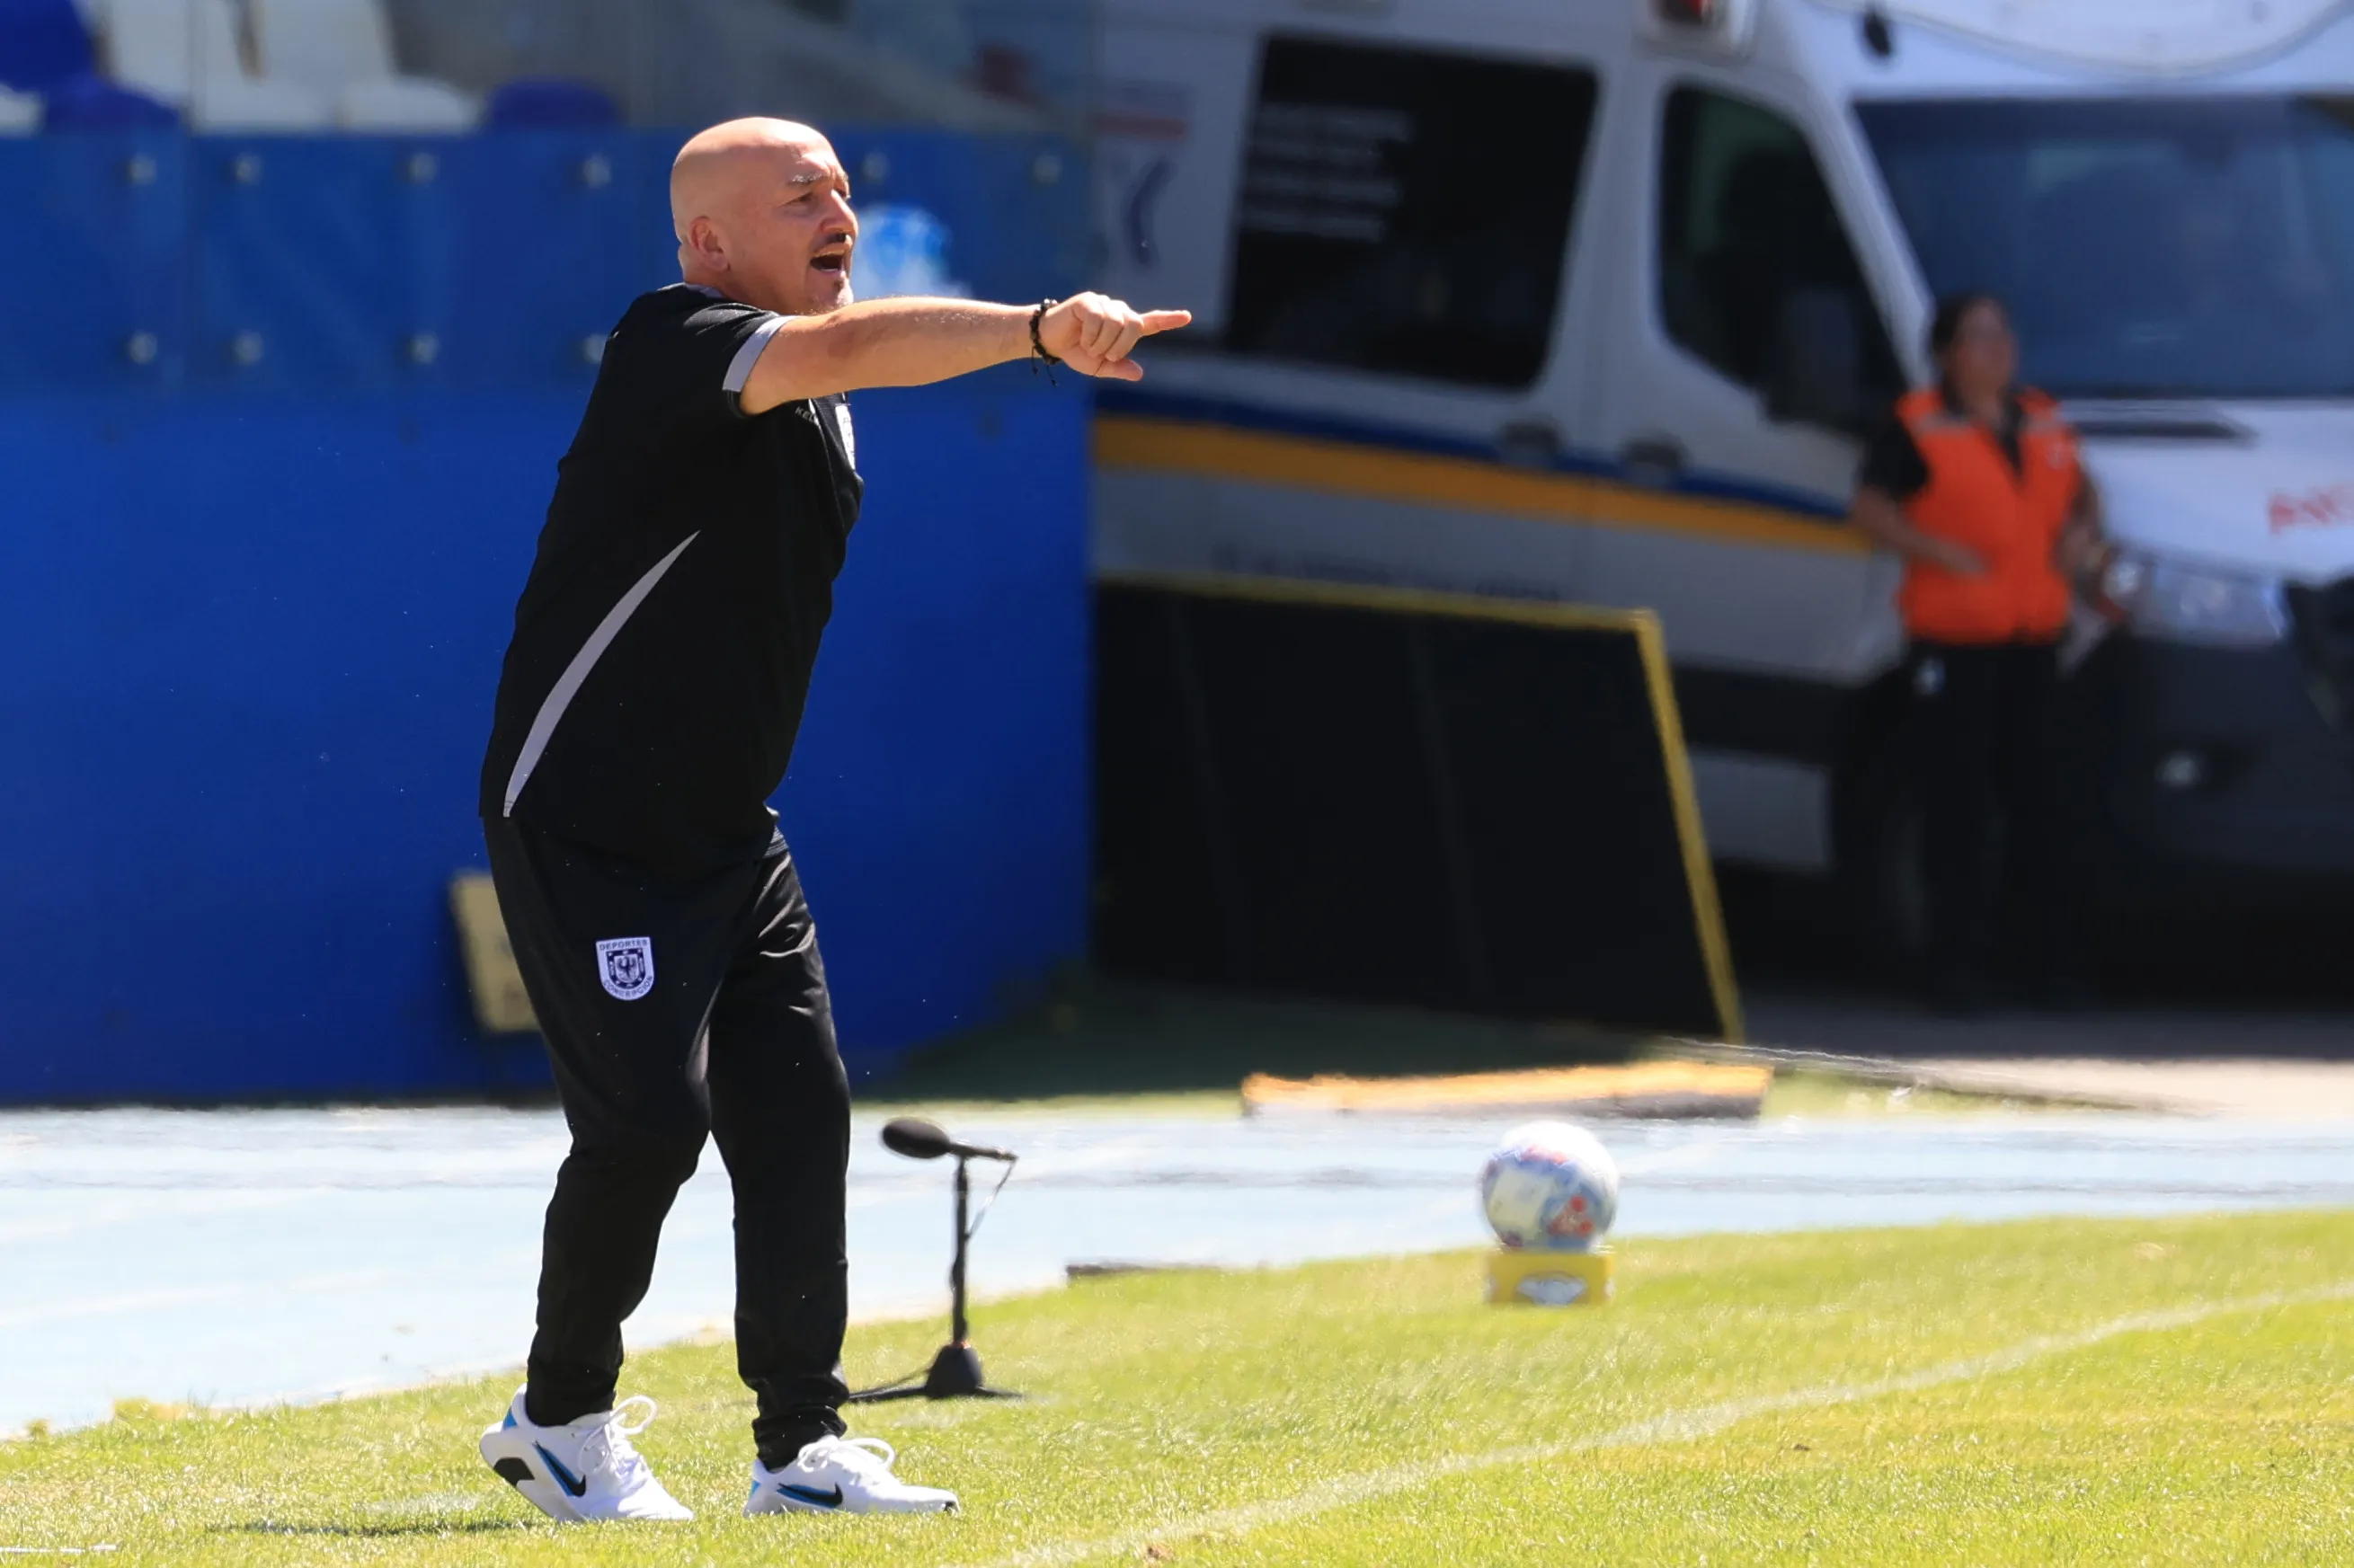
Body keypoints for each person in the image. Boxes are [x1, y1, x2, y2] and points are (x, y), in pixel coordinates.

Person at [472, 117, 1189, 1523]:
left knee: (799, 1120)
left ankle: (800, 1447)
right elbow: (852, 348)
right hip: (588, 822)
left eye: (844, 190)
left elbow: (855, 355)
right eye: (798, 194)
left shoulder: (820, 388)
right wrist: (1044, 327)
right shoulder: (675, 337)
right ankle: (558, 1422)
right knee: (645, 1126)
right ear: (708, 243)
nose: (837, 211)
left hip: (729, 831)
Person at [1849, 292, 2101, 1015]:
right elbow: (1868, 509)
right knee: (1956, 807)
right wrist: (1935, 551)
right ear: (1946, 354)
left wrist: (2081, 537)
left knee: (2039, 804)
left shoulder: (2043, 418)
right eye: (1978, 337)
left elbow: (2085, 497)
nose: (1997, 348)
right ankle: (1953, 969)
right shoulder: (1918, 424)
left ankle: (2047, 966)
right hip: (1955, 643)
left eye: (2002, 333)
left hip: (2031, 639)